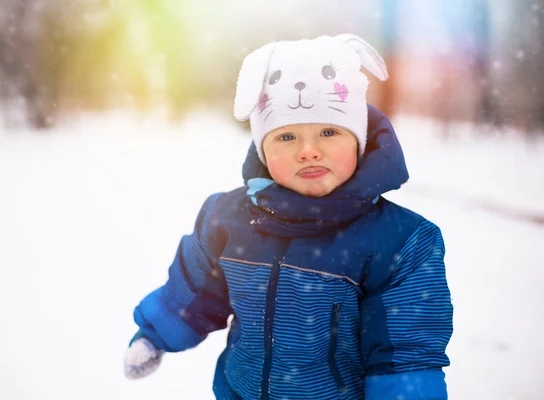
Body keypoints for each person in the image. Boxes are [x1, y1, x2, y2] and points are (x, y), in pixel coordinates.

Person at [123, 34, 453, 400]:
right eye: (286, 137)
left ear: (358, 141)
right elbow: (195, 292)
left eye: (329, 132)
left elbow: (404, 353)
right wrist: (156, 334)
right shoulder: (227, 219)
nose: (309, 151)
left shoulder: (399, 241)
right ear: (262, 150)